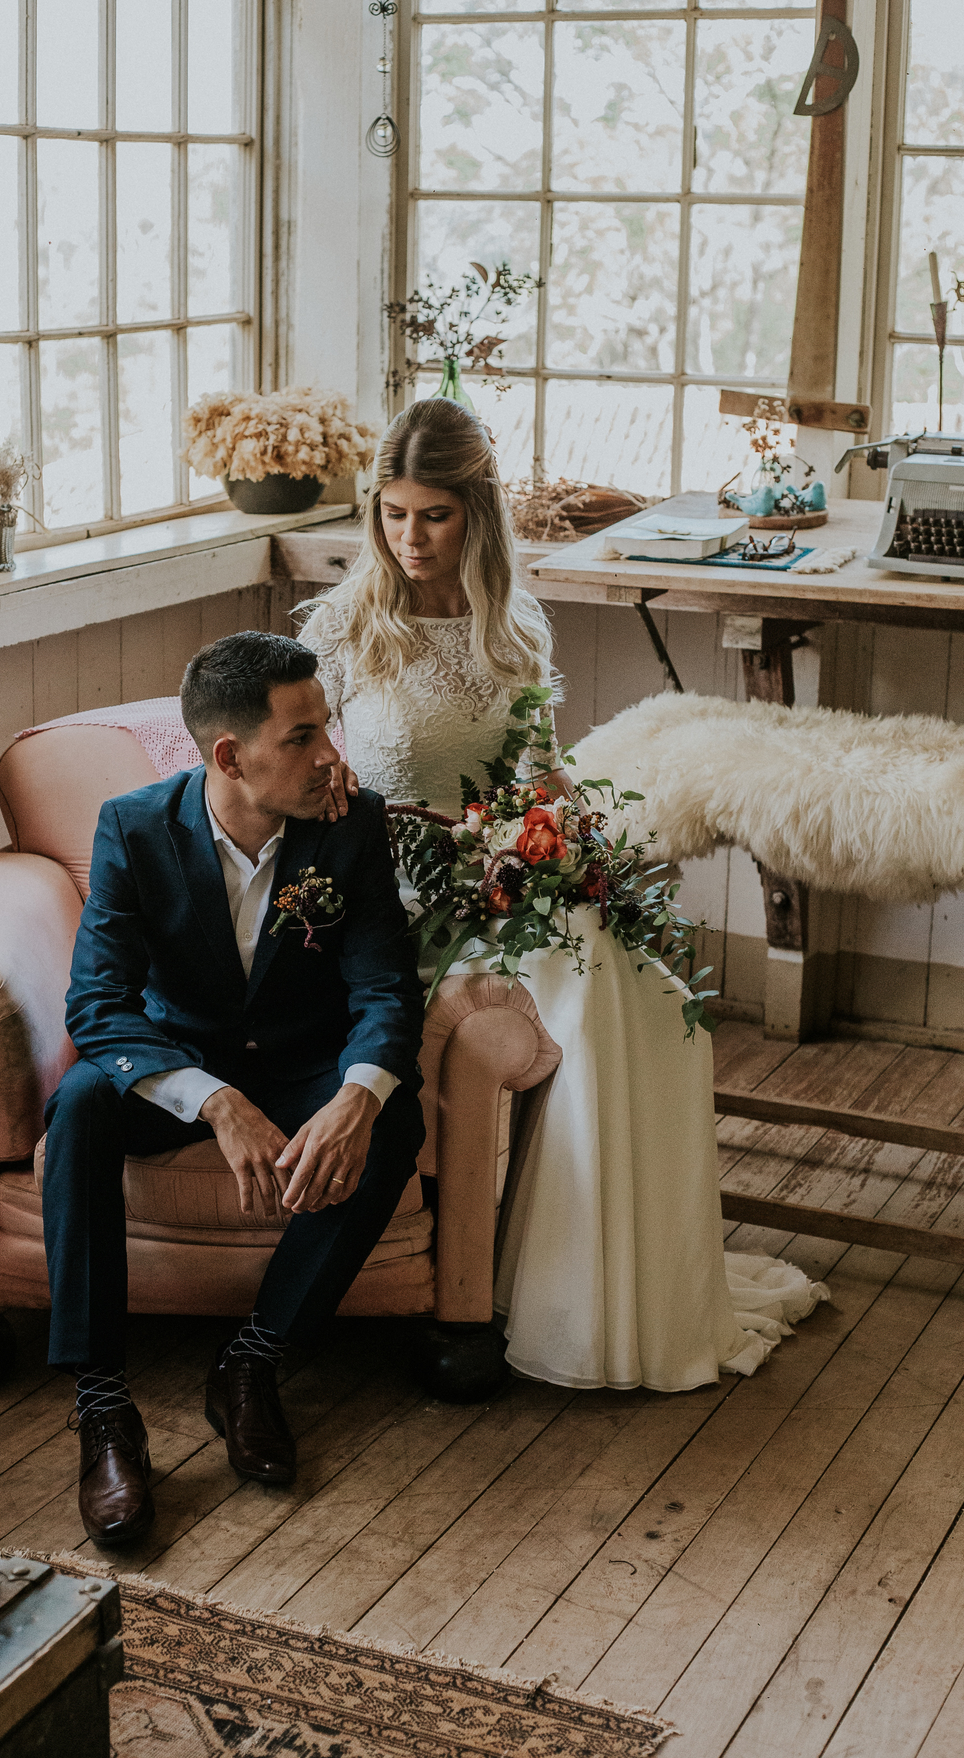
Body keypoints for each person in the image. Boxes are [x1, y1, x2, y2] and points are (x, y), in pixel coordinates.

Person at [299, 396, 827, 1395]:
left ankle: (615, 1293)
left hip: (495, 886)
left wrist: (579, 850)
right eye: (394, 514)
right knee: (582, 982)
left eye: (435, 516)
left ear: (477, 516)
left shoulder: (513, 625)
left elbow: (538, 776)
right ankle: (554, 1300)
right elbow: (304, 790)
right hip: (393, 904)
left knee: (653, 995)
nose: (411, 539)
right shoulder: (344, 628)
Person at [41, 631, 425, 1544]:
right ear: (229, 755)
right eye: (302, 737)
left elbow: (383, 989)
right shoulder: (133, 828)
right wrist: (213, 1102)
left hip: (299, 1064)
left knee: (393, 1114)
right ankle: (103, 1408)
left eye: (325, 726)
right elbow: (95, 1002)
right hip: (179, 1062)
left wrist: (355, 1098)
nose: (331, 754)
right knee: (85, 1102)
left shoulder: (350, 825)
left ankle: (252, 1361)